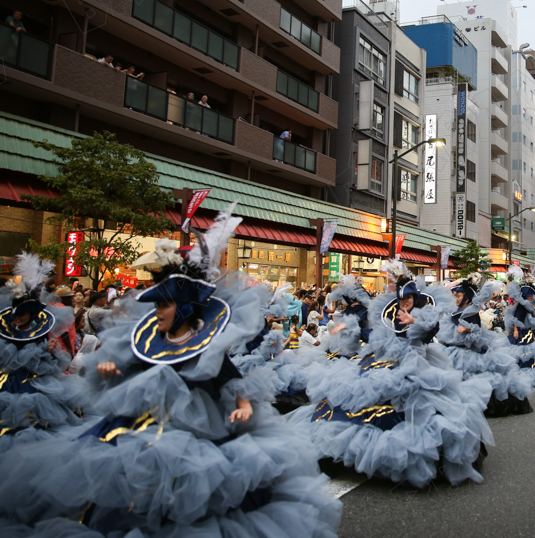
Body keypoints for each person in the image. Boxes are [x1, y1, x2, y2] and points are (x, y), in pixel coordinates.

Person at [0, 211, 343, 535]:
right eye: (157, 305)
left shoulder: (203, 343)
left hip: (196, 426)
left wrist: (245, 406)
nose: (158, 311)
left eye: (164, 304)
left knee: (190, 491)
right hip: (141, 421)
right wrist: (110, 367)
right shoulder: (150, 335)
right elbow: (134, 364)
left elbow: (229, 378)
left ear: (184, 308)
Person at [289, 260, 494, 488]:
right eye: (402, 299)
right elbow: (372, 335)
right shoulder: (389, 313)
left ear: (414, 299)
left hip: (413, 363)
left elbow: (430, 330)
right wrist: (349, 329)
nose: (405, 303)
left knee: (414, 399)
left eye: (408, 299)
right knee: (359, 393)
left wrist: (413, 320)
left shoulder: (421, 312)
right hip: (381, 361)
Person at [0, 253, 86, 450]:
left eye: (23, 315)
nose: (18, 318)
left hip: (36, 383)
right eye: (17, 314)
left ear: (31, 315)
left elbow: (55, 363)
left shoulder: (41, 332)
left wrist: (48, 350)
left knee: (39, 422)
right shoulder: (6, 331)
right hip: (8, 384)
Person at [437, 272, 534, 417]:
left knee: (472, 378)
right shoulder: (456, 311)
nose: (456, 299)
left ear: (467, 297)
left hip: (469, 353)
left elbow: (476, 334)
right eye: (455, 296)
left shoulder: (471, 312)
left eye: (459, 296)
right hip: (454, 349)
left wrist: (467, 329)